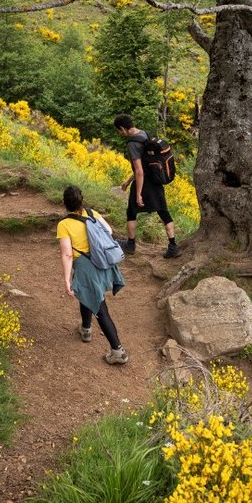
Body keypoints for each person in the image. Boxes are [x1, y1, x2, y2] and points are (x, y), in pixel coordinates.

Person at [57, 185, 128, 365]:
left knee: (100, 307)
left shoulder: (64, 224)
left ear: (64, 203)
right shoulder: (92, 213)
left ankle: (118, 351)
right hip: (103, 261)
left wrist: (66, 280)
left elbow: (67, 254)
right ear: (82, 201)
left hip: (86, 267)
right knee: (86, 293)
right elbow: (109, 231)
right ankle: (86, 329)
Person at [113, 113, 180, 258]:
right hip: (156, 181)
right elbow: (147, 164)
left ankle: (130, 244)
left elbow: (139, 170)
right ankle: (173, 246)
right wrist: (128, 181)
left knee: (131, 211)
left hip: (144, 183)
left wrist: (138, 193)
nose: (120, 133)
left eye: (119, 131)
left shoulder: (132, 144)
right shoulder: (145, 134)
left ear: (123, 128)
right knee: (163, 211)